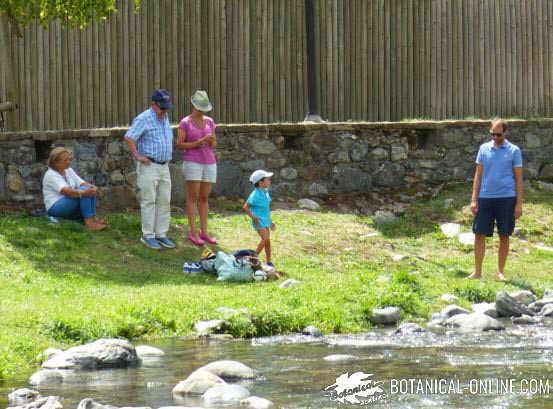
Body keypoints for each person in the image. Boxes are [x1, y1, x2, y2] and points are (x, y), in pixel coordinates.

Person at [468, 118, 523, 281]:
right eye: (492, 134)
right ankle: (477, 272)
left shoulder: (514, 150)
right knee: (479, 234)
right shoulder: (483, 149)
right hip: (485, 198)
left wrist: (519, 204)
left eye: (498, 134)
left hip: (507, 198)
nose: (495, 137)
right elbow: (478, 175)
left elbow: (519, 179)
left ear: (505, 133)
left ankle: (500, 272)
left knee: (504, 235)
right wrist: (473, 199)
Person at [124, 89, 176, 250]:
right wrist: (137, 155)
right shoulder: (143, 118)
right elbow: (130, 137)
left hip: (164, 165)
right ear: (153, 105)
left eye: (166, 108)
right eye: (162, 108)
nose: (164, 111)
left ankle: (161, 234)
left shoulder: (165, 117)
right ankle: (148, 235)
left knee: (164, 200)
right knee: (149, 200)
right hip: (149, 166)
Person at [176, 90, 218, 246]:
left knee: (204, 198)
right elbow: (180, 144)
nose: (202, 111)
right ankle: (193, 232)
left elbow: (214, 144)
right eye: (200, 108)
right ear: (194, 106)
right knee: (193, 198)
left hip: (209, 161)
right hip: (193, 162)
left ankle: (204, 232)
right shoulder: (185, 122)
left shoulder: (210, 122)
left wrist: (211, 141)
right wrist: (198, 142)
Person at [42, 147, 107, 231]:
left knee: (87, 189)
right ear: (55, 162)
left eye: (69, 159)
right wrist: (84, 193)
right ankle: (90, 223)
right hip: (55, 208)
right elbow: (66, 192)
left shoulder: (68, 170)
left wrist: (92, 187)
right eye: (65, 160)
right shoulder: (50, 175)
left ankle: (93, 219)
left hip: (68, 203)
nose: (68, 162)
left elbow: (81, 183)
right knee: (84, 191)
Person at [243, 170, 276, 267]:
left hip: (265, 221)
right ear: (260, 182)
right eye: (267, 179)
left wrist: (270, 222)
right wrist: (253, 217)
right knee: (265, 239)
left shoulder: (265, 193)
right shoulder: (255, 195)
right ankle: (252, 258)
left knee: (267, 241)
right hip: (258, 221)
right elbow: (245, 207)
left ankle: (269, 261)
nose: (270, 181)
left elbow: (266, 209)